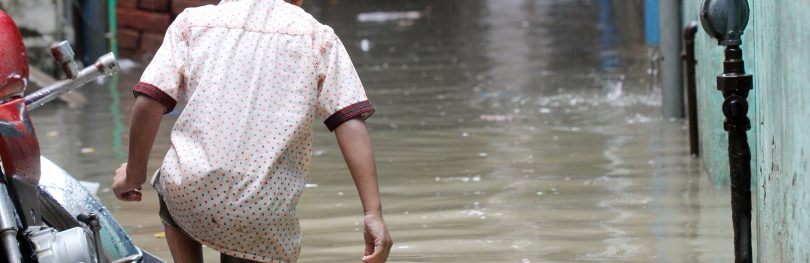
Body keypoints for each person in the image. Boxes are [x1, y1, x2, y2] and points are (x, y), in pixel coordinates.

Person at [111, 0, 393, 262]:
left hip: (191, 193)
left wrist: (133, 174)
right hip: (263, 209)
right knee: (254, 238)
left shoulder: (193, 23)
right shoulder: (317, 37)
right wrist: (373, 213)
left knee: (171, 186)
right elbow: (349, 120)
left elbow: (149, 101)